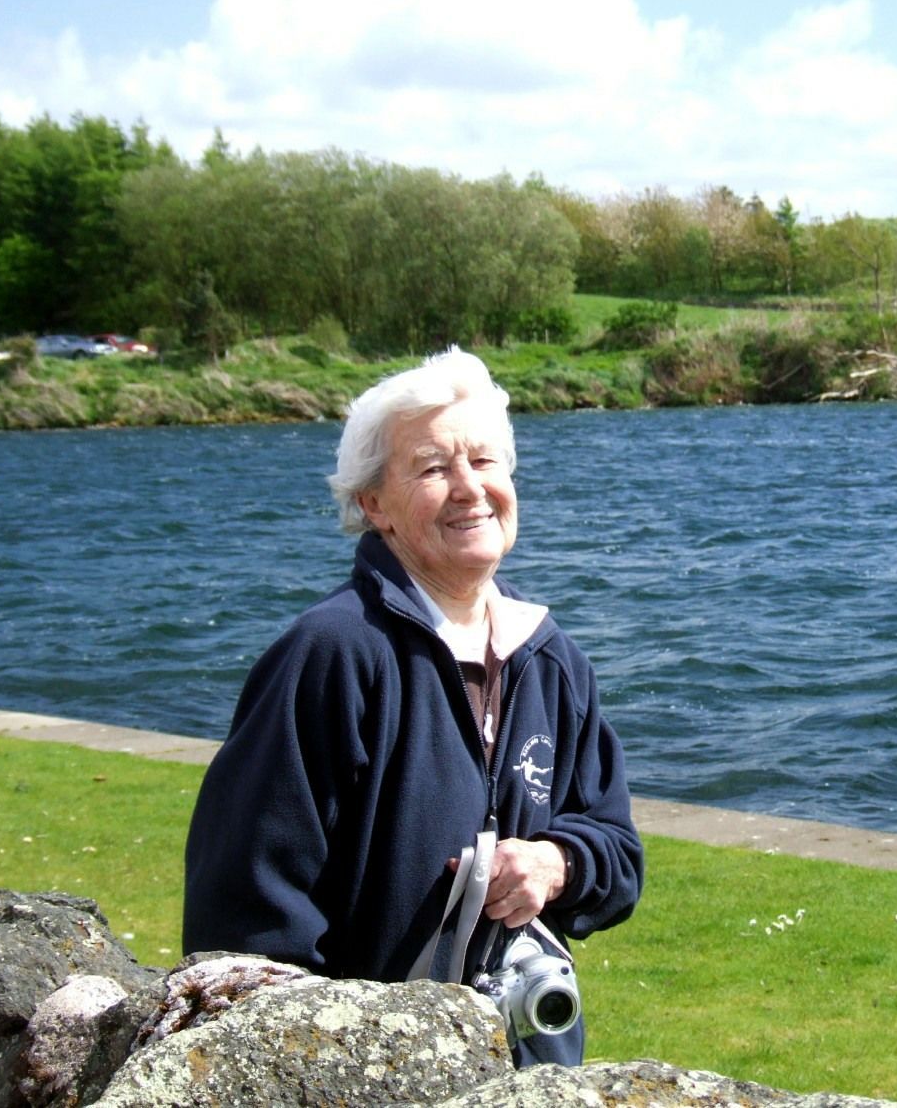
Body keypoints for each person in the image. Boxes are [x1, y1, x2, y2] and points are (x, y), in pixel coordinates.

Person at [182, 347, 643, 1067]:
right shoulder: (329, 655)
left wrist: (558, 861)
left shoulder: (552, 659)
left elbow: (616, 852)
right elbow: (245, 915)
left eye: (486, 461)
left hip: (529, 1073)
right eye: (434, 468)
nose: (470, 488)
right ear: (374, 503)